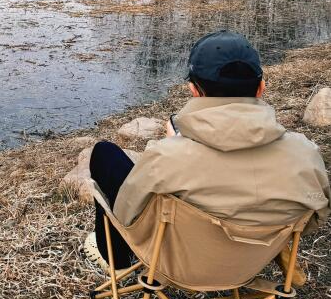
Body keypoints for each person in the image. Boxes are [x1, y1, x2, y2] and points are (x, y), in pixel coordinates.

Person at [85, 30, 330, 283]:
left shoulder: (165, 157)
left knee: (105, 154)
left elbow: (127, 218)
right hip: (250, 265)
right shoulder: (305, 154)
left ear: (193, 90)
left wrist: (176, 148)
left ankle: (115, 260)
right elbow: (313, 221)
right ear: (261, 87)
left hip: (174, 266)